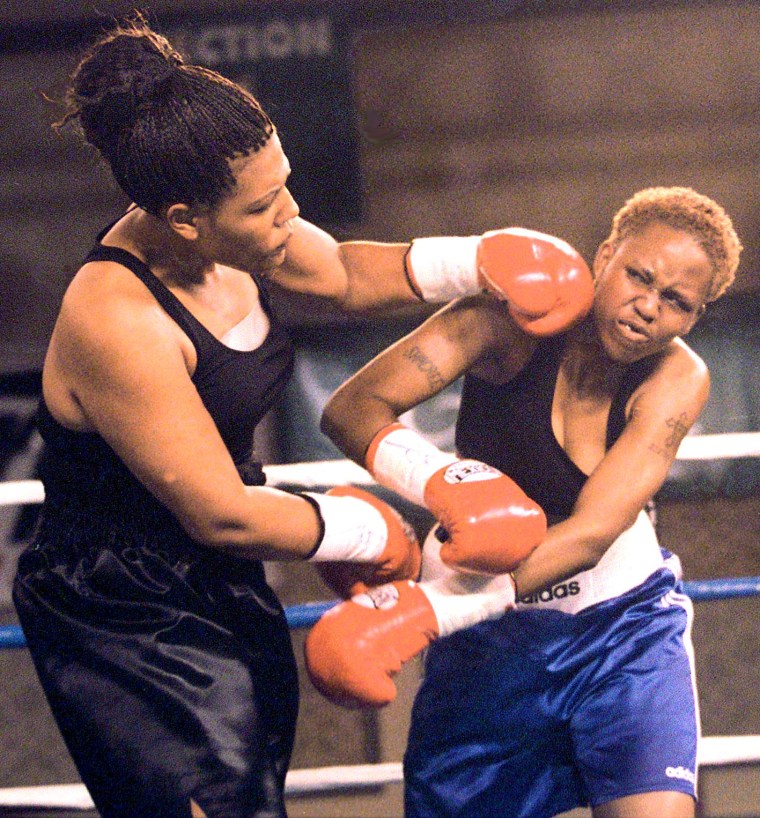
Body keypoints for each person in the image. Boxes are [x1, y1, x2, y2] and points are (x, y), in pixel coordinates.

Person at [11, 15, 594, 818]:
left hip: (225, 564)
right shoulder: (118, 319)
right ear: (184, 217)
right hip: (123, 597)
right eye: (263, 205)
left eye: (283, 181)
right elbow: (218, 513)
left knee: (257, 793)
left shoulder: (241, 236)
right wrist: (366, 528)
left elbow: (347, 276)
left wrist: (482, 258)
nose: (288, 212)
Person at [305, 186, 742, 818]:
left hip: (621, 628)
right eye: (638, 277)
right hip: (488, 645)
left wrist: (431, 609)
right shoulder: (503, 322)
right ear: (605, 255)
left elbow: (593, 531)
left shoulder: (679, 376)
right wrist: (440, 480)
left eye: (676, 301)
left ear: (694, 317)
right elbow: (351, 410)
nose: (647, 307)